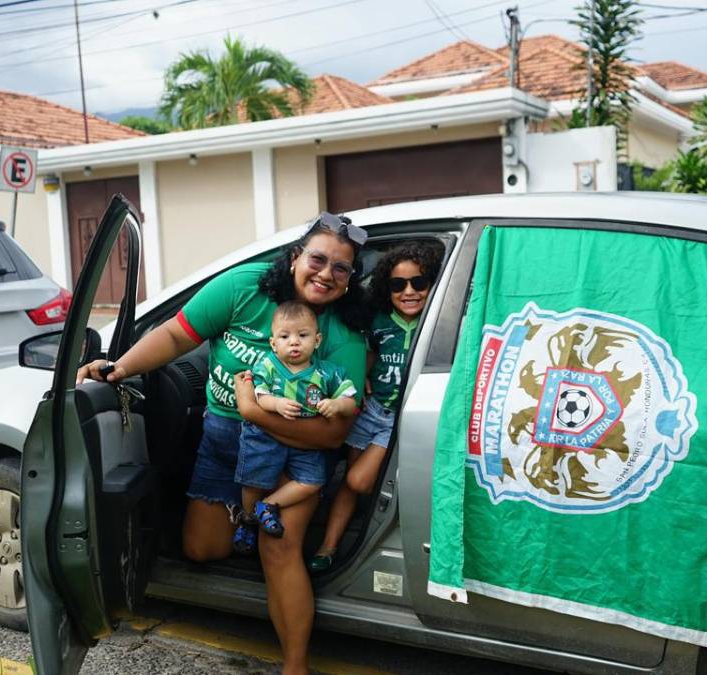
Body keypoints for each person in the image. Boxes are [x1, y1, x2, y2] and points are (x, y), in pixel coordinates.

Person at [77, 212, 369, 675]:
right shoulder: (243, 288)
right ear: (295, 257)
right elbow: (176, 334)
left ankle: (295, 666)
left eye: (341, 268)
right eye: (318, 259)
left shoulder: (343, 335)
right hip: (223, 442)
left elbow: (334, 431)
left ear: (350, 280)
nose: (326, 274)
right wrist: (119, 368)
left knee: (279, 548)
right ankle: (247, 517)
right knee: (200, 549)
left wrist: (257, 415)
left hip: (295, 453)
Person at [310, 242, 441, 572]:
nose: (408, 291)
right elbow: (367, 360)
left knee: (360, 482)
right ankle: (328, 547)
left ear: (433, 284)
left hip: (400, 421)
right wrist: (362, 378)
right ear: (387, 288)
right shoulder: (381, 323)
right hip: (371, 411)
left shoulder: (438, 322)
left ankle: (373, 531)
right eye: (398, 285)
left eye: (419, 283)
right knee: (349, 486)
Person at [233, 300, 359, 554]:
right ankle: (247, 520)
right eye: (285, 336)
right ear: (273, 343)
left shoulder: (328, 373)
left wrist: (336, 405)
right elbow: (260, 396)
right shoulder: (267, 366)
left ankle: (266, 506)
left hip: (308, 443)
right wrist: (276, 404)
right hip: (265, 437)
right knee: (252, 481)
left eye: (303, 335)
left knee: (313, 481)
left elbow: (351, 402)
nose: (294, 342)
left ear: (317, 340)